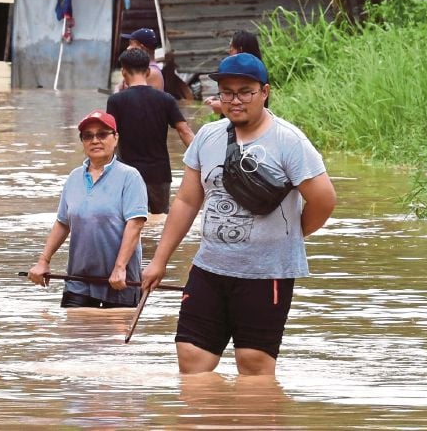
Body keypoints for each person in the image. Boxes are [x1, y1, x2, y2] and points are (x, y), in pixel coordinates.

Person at [141, 53, 336, 376]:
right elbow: (187, 201)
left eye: (245, 91)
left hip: (267, 274)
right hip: (210, 268)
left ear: (265, 92)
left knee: (254, 364)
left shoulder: (288, 141)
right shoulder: (207, 137)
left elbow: (324, 200)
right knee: (191, 356)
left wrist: (292, 235)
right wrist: (159, 260)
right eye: (227, 92)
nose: (235, 100)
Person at [27, 110, 149, 308]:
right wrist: (43, 261)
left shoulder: (130, 177)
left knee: (112, 337)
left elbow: (135, 225)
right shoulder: (74, 178)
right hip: (78, 282)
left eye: (102, 134)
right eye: (88, 136)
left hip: (119, 281)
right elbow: (62, 223)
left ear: (115, 138)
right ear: (83, 142)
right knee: (75, 335)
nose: (95, 140)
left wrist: (120, 267)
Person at [106, 48, 195, 218]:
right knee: (158, 223)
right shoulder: (166, 99)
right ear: (147, 71)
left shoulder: (116, 101)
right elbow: (185, 132)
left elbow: (110, 137)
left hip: (127, 174)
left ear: (123, 72)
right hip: (159, 175)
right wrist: (205, 161)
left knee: (131, 222)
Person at [205, 30, 266, 115]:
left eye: (231, 47)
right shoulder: (260, 71)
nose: (229, 51)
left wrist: (221, 106)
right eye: (227, 92)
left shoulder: (255, 75)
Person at [115, 28, 165, 92]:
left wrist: (117, 89)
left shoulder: (151, 73)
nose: (128, 48)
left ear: (141, 48)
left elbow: (127, 98)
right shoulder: (144, 69)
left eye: (131, 44)